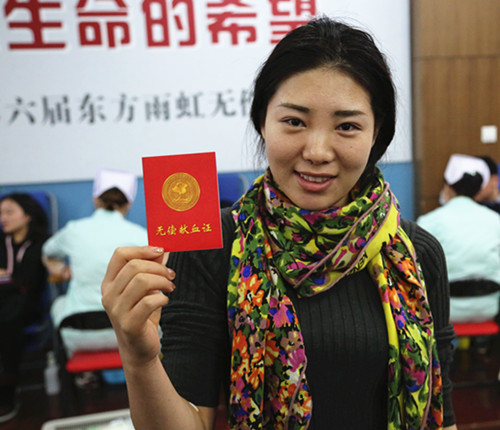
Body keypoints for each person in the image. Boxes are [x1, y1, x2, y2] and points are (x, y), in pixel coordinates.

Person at [102, 18, 457, 429]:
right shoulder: (212, 246)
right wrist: (140, 358)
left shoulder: (417, 253)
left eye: (347, 126)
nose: (317, 151)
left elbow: (440, 415)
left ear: (376, 134)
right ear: (262, 122)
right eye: (294, 122)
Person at [43, 169, 147, 357]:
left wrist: (62, 270)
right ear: (128, 204)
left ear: (95, 200)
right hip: (128, 331)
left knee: (59, 303)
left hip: (78, 332)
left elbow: (47, 252)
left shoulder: (74, 230)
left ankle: (71, 371)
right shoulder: (140, 235)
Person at [417, 154, 500, 324]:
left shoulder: (428, 222)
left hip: (445, 311)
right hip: (490, 309)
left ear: (448, 187)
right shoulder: (495, 220)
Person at [0, 193, 49, 423]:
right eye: (1, 213)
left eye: (9, 212)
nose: (3, 218)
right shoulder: (2, 242)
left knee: (10, 317)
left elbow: (30, 283)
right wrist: (12, 280)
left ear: (28, 215)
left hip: (26, 306)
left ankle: (7, 391)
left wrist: (8, 278)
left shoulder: (41, 243)